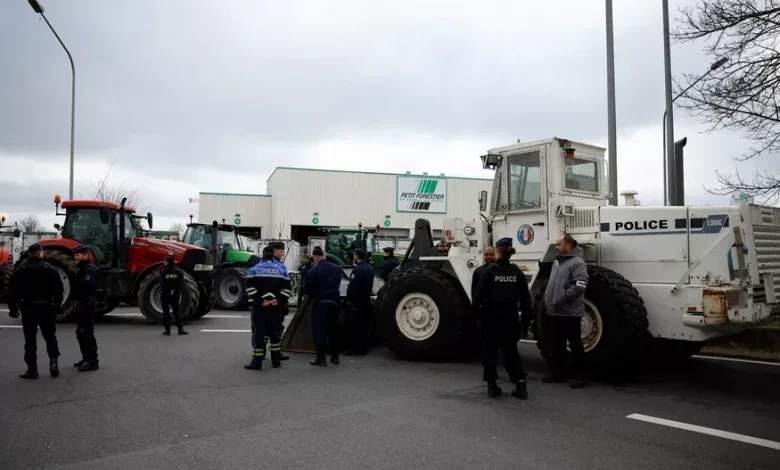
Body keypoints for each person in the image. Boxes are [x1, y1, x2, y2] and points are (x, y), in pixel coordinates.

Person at [477, 237, 533, 399]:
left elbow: (479, 298)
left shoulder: (488, 272)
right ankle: (521, 385)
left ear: (497, 252)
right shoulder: (517, 272)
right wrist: (525, 322)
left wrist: (480, 317)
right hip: (511, 318)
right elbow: (525, 300)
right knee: (511, 353)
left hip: (491, 319)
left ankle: (492, 386)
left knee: (490, 352)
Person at [7, 244, 63, 379]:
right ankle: (53, 365)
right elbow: (59, 290)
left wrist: (13, 308)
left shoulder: (21, 270)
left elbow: (12, 291)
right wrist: (56, 305)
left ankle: (32, 369)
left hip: (28, 308)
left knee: (30, 339)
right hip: (46, 308)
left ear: (29, 254)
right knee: (50, 336)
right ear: (40, 254)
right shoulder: (49, 269)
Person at [542, 234, 589, 388]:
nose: (556, 247)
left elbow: (580, 285)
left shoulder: (577, 262)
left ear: (568, 246)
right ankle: (559, 374)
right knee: (557, 344)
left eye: (559, 244)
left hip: (569, 312)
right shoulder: (557, 261)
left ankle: (581, 376)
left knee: (575, 344)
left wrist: (561, 298)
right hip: (555, 311)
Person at [244, 246, 292, 370]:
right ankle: (276, 361)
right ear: (272, 256)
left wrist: (261, 300)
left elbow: (249, 288)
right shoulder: (281, 270)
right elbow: (287, 289)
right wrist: (278, 300)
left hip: (260, 308)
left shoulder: (254, 270)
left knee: (259, 334)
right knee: (274, 334)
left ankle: (257, 362)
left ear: (263, 255)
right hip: (275, 308)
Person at [304, 246, 342, 366]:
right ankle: (335, 357)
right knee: (333, 330)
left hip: (321, 303)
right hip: (335, 303)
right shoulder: (336, 268)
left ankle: (321, 358)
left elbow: (307, 289)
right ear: (324, 256)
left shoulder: (313, 271)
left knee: (319, 331)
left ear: (315, 257)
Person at [72, 245, 100, 372]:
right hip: (81, 304)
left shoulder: (90, 270)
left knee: (87, 333)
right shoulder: (81, 269)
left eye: (77, 255)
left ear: (86, 255)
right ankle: (85, 358)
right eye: (75, 255)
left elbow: (87, 289)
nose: (75, 257)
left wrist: (83, 302)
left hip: (87, 305)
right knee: (81, 333)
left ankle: (92, 361)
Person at [344, 249, 374, 355]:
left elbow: (352, 287)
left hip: (357, 301)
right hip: (366, 300)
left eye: (354, 255)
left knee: (354, 326)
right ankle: (363, 348)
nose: (353, 257)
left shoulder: (357, 270)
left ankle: (353, 349)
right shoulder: (370, 269)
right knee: (364, 325)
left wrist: (348, 298)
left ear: (357, 256)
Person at [269, 241, 291, 361]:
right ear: (274, 251)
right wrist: (283, 302)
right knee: (277, 328)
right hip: (277, 303)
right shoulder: (280, 266)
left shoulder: (261, 264)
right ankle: (276, 355)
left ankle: (259, 354)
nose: (282, 254)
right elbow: (286, 286)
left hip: (263, 304)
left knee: (262, 329)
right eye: (280, 251)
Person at [159, 254, 189, 336]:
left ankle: (167, 330)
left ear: (166, 262)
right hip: (175, 295)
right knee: (176, 312)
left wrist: (168, 291)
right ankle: (180, 329)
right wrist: (174, 291)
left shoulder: (162, 272)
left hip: (165, 294)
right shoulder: (179, 272)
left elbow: (162, 284)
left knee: (166, 312)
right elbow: (181, 284)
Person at [471, 246, 496, 311]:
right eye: (486, 255)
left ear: (497, 255)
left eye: (491, 255)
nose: (488, 257)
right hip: (484, 306)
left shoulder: (501, 270)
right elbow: (474, 291)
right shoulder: (478, 271)